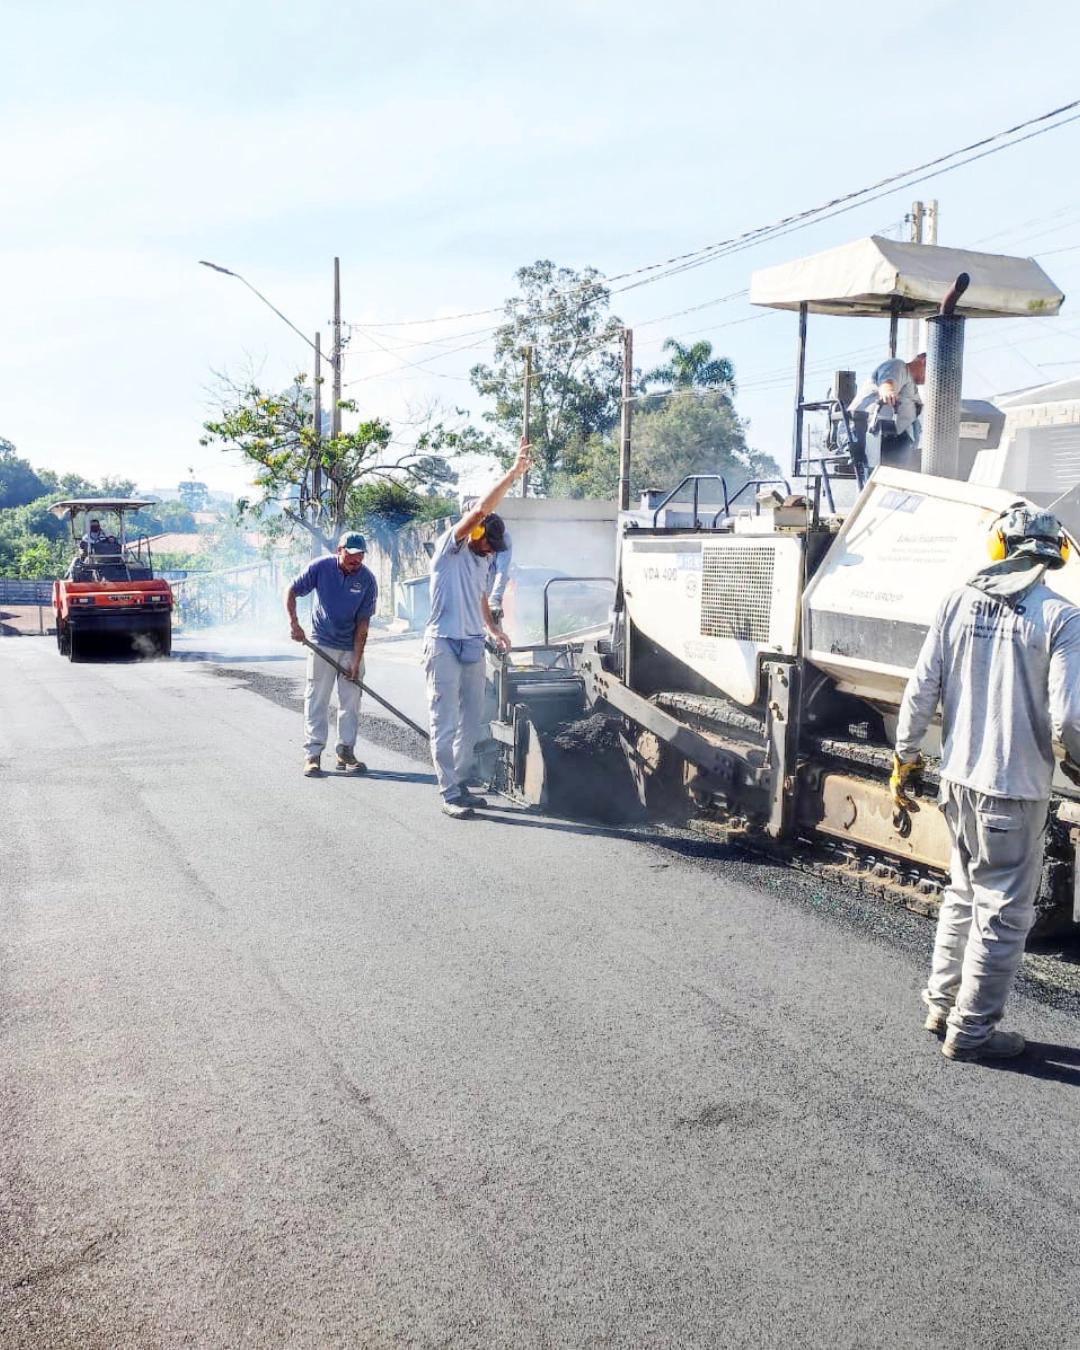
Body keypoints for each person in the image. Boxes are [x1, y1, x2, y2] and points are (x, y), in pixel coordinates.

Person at [892, 505, 1080, 1062]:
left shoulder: (956, 601)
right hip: (1013, 789)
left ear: (1000, 547)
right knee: (1003, 911)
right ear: (1055, 555)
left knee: (964, 893)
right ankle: (971, 1033)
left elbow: (921, 688)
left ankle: (940, 1006)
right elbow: (1068, 721)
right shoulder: (1062, 618)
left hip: (958, 780)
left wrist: (905, 758)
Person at [424, 438, 532, 819]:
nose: (492, 551)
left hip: (471, 642)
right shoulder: (449, 548)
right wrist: (514, 473)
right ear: (475, 534)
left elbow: (480, 598)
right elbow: (483, 508)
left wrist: (492, 630)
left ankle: (462, 781)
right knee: (445, 720)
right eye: (489, 544)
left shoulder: (484, 561)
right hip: (443, 643)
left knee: (472, 721)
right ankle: (449, 792)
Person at [286, 532, 378, 778]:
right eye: (351, 555)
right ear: (340, 550)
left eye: (360, 556)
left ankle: (345, 751)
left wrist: (356, 660)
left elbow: (363, 625)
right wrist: (294, 624)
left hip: (350, 646)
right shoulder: (321, 567)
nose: (355, 560)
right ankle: (313, 755)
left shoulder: (367, 580)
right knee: (317, 698)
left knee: (351, 701)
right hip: (322, 643)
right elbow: (292, 590)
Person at [849, 352, 926, 471]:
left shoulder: (912, 388)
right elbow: (888, 381)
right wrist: (888, 390)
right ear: (924, 361)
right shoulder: (899, 366)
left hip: (897, 439)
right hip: (870, 431)